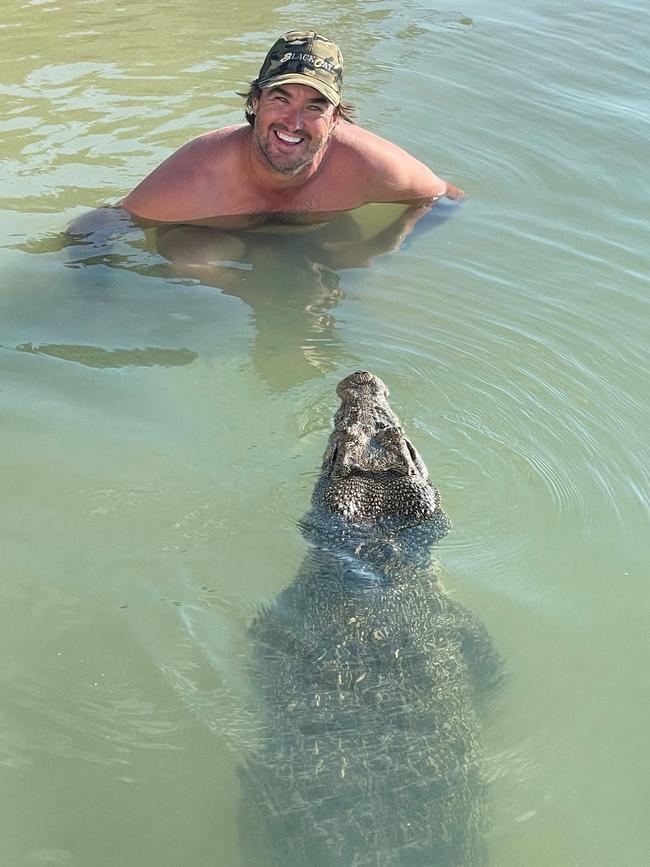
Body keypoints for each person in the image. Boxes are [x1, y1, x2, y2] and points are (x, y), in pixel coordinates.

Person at [122, 29, 464, 230]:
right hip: (212, 246)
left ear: (335, 121)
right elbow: (103, 226)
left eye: (314, 107)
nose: (293, 122)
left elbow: (446, 197)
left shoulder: (366, 165)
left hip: (312, 250)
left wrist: (386, 247)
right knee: (194, 259)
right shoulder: (200, 169)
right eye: (280, 99)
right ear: (254, 102)